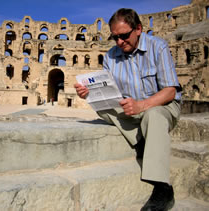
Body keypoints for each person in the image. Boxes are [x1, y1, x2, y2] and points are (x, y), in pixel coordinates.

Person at [74, 8, 182, 211]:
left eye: (124, 36)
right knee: (102, 109)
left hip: (162, 105)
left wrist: (142, 105)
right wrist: (89, 92)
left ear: (138, 29)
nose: (119, 42)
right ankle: (144, 139)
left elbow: (170, 91)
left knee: (154, 114)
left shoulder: (158, 47)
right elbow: (108, 91)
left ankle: (162, 188)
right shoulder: (110, 56)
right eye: (115, 38)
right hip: (132, 108)